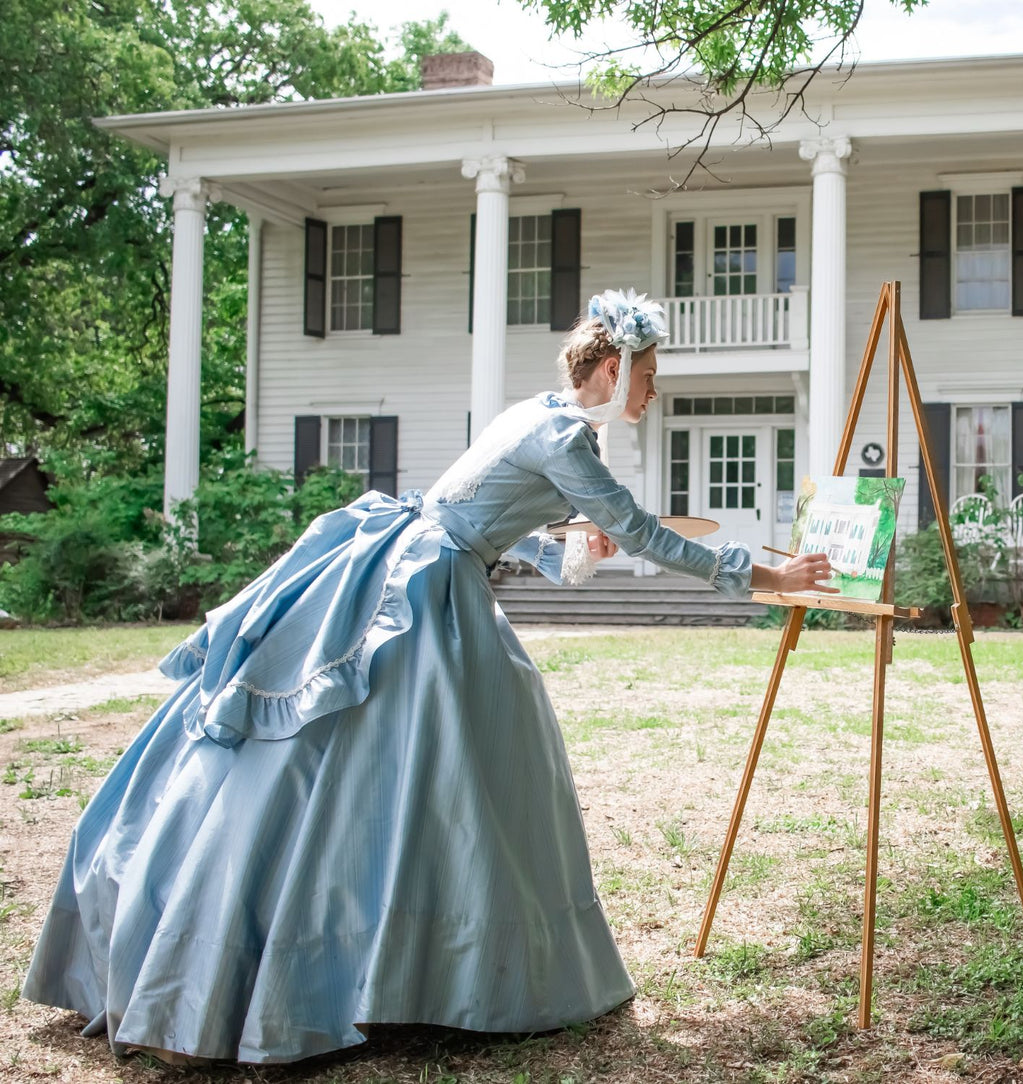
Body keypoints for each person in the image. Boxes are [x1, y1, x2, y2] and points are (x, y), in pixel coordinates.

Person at [22, 290, 834, 1065]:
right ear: (614, 368)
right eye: (650, 376)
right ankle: (347, 962)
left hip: (423, 563)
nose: (653, 393)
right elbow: (639, 530)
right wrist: (767, 578)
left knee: (416, 762)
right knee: (419, 764)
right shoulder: (564, 438)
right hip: (423, 593)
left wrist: (565, 550)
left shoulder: (534, 415)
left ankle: (413, 957)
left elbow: (483, 519)